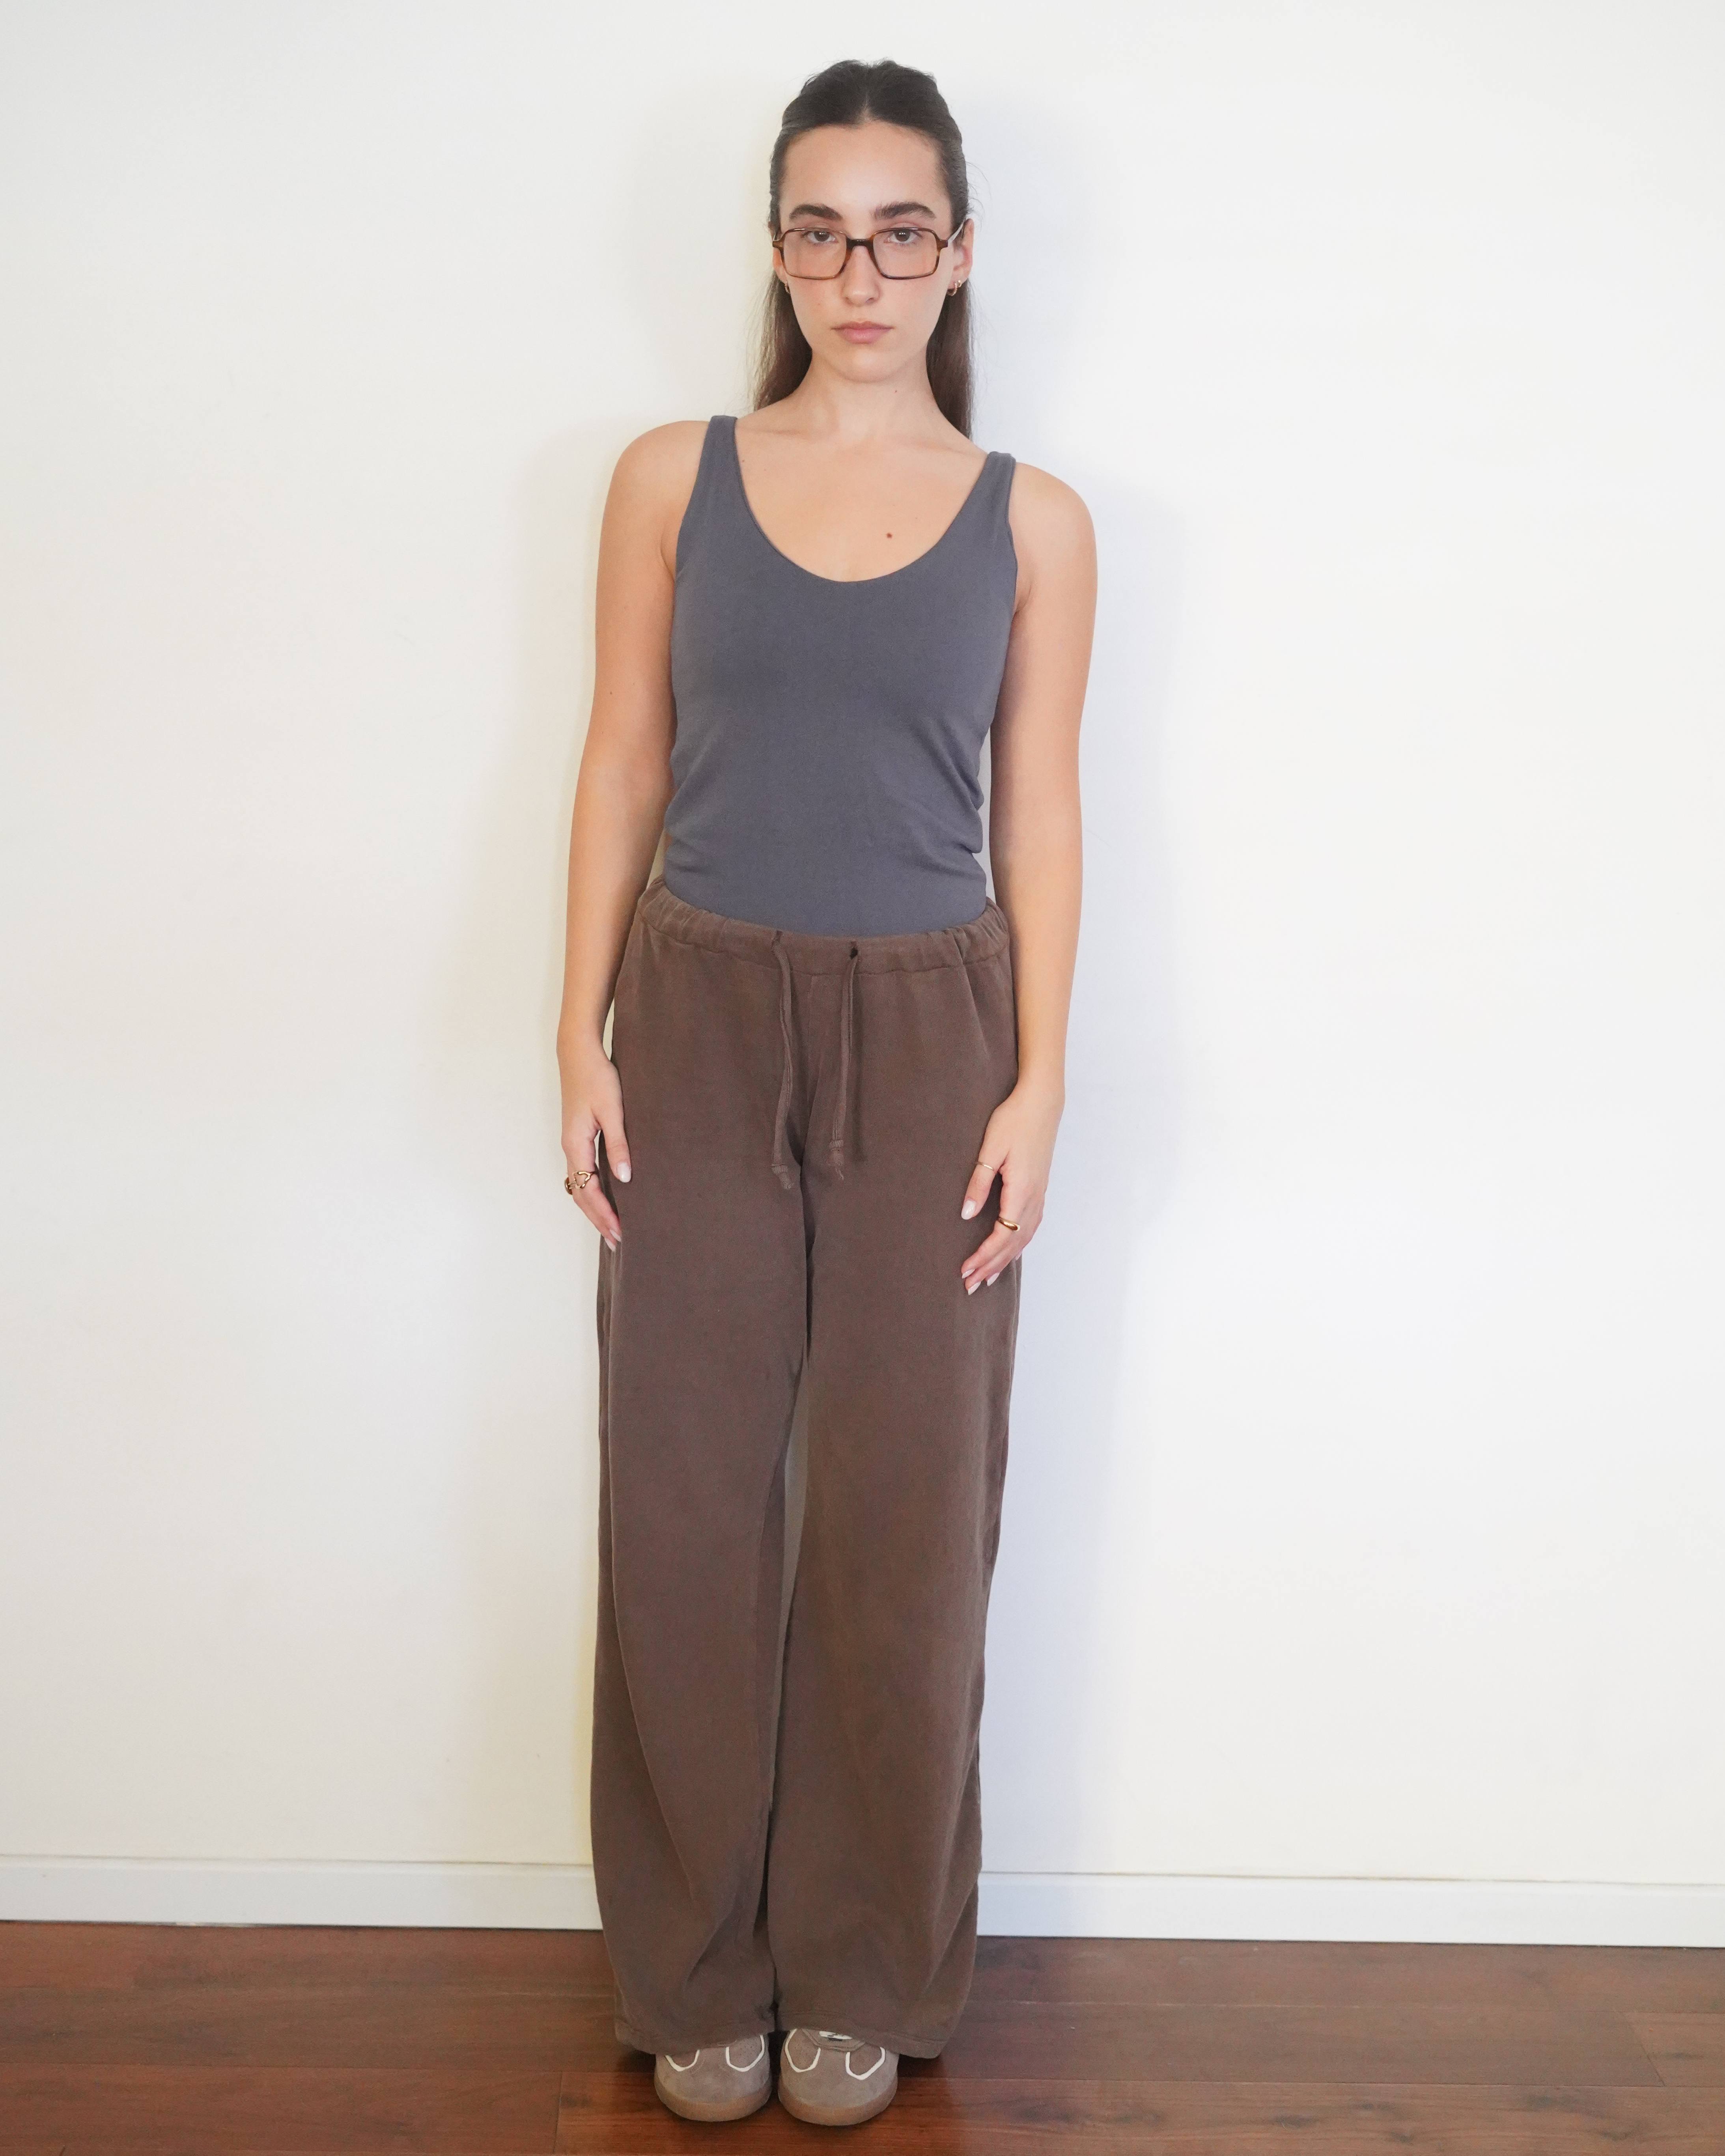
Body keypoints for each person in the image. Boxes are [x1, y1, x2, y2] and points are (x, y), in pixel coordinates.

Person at [555, 56, 1094, 2130]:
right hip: (695, 1016)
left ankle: (864, 1967)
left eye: (898, 233)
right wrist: (578, 1028)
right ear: (777, 250)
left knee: (904, 1514)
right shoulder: (666, 480)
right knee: (684, 1499)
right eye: (819, 231)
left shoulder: (1033, 520)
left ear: (954, 253)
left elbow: (1039, 815)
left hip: (936, 1035)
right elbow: (621, 756)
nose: (858, 274)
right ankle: (695, 1971)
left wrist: (1040, 1082)